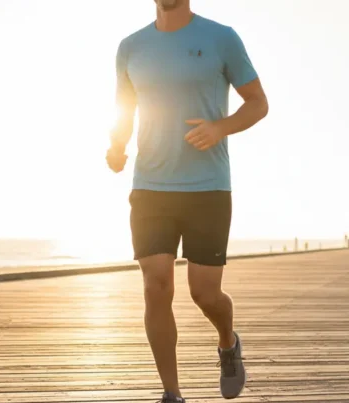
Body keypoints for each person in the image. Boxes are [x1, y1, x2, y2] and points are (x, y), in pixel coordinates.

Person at [106, 0, 268, 401]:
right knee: (156, 286)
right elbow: (124, 108)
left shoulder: (221, 38)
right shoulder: (131, 46)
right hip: (151, 186)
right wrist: (116, 146)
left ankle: (228, 342)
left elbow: (258, 102)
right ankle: (171, 393)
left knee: (204, 293)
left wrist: (220, 128)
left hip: (207, 187)